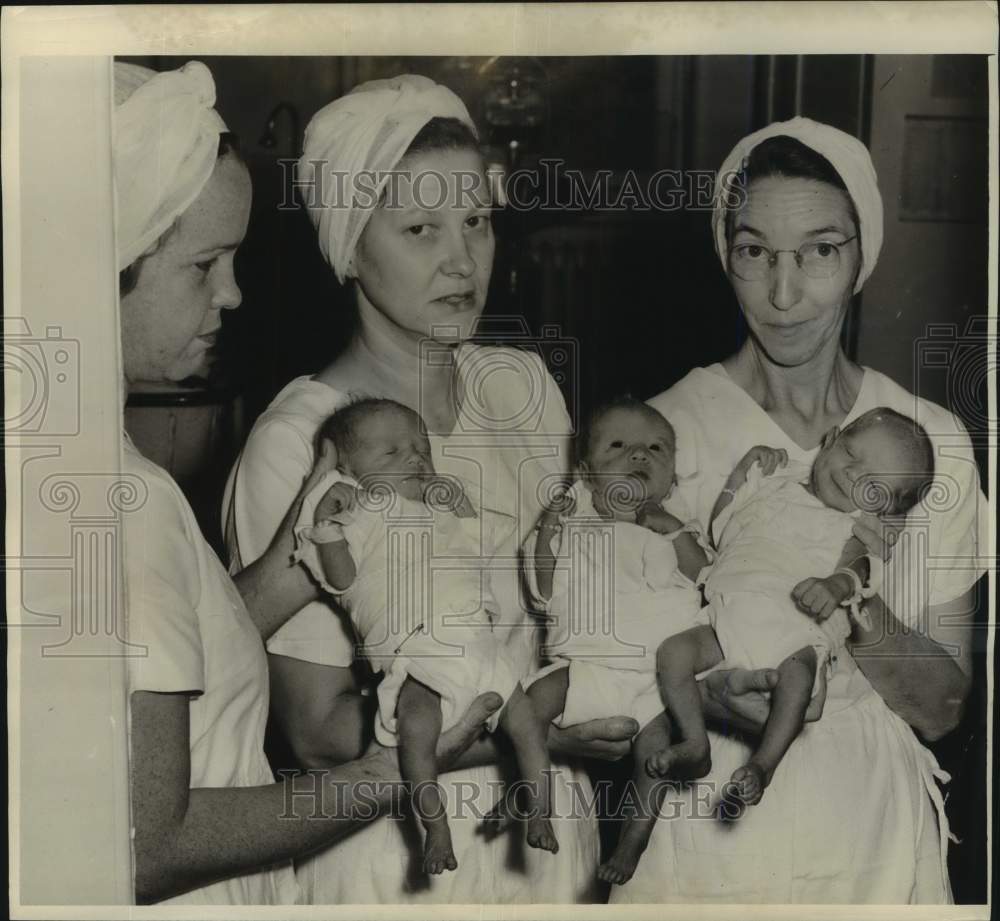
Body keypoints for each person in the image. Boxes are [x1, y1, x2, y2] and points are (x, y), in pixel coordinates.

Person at [222, 74, 632, 904]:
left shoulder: (522, 386)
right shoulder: (300, 439)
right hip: (398, 854)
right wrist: (547, 728)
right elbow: (321, 732)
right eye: (419, 228)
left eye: (476, 221)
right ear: (348, 248)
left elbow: (577, 598)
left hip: (548, 833)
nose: (461, 260)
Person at [115, 60, 500, 906]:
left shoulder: (120, 474)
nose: (235, 293)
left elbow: (203, 650)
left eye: (477, 220)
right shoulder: (131, 499)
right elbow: (147, 840)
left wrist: (304, 548)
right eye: (205, 263)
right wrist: (414, 756)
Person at [612, 117, 987, 904]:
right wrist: (704, 696)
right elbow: (603, 679)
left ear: (862, 255)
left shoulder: (930, 444)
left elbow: (944, 705)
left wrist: (851, 598)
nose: (785, 295)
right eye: (755, 252)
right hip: (706, 850)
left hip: (872, 840)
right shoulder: (661, 433)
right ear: (726, 254)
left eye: (821, 250)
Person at [293, 398, 554, 873]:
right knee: (416, 732)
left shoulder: (440, 511)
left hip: (479, 643)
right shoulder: (359, 513)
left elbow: (484, 548)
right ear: (347, 470)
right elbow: (342, 579)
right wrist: (328, 527)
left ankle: (540, 809)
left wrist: (462, 506)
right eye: (391, 453)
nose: (414, 458)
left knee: (528, 725)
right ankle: (434, 824)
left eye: (421, 449)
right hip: (420, 653)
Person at [656, 408, 936, 816]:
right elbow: (722, 527)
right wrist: (745, 471)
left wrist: (834, 585)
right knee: (673, 654)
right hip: (727, 615)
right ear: (831, 438)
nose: (853, 475)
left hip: (794, 629)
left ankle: (763, 765)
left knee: (800, 679)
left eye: (873, 485)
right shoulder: (776, 483)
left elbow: (857, 569)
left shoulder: (853, 528)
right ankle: (695, 743)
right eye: (852, 455)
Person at [510, 396, 710, 885]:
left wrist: (674, 530)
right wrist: (549, 529)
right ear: (586, 472)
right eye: (619, 446)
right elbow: (545, 588)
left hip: (652, 675)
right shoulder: (574, 522)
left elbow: (705, 580)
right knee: (529, 706)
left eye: (657, 449)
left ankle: (633, 841)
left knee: (654, 752)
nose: (640, 455)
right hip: (585, 663)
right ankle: (534, 800)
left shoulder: (678, 526)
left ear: (673, 478)